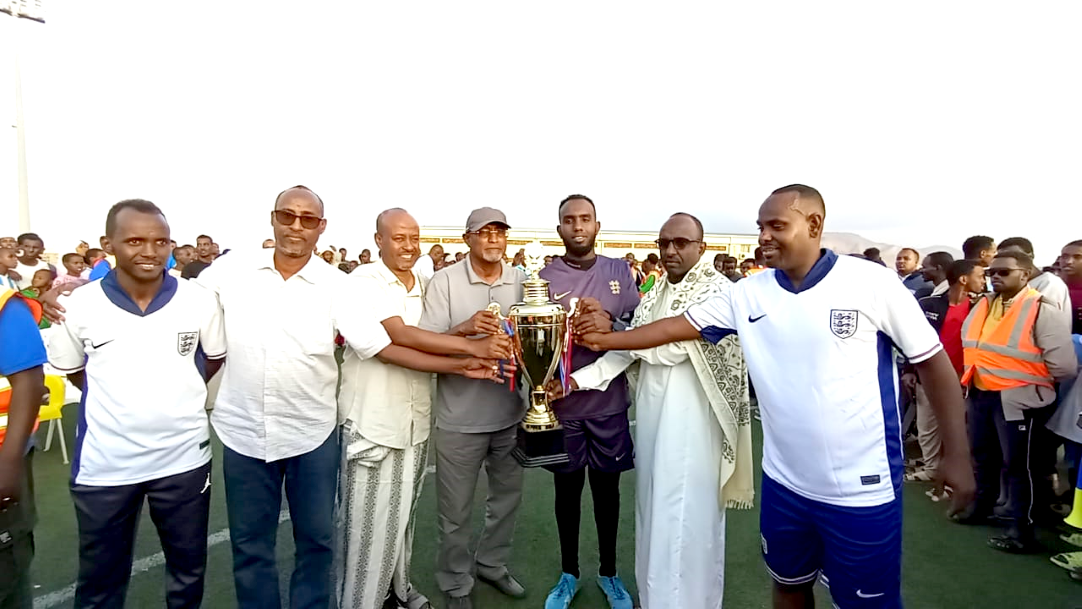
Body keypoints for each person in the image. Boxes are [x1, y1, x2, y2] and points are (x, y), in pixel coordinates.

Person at [575, 184, 975, 609]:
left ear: (815, 225)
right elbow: (673, 327)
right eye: (760, 227)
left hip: (861, 488)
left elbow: (934, 364)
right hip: (785, 483)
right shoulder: (748, 292)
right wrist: (606, 338)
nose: (764, 236)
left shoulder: (871, 283)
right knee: (788, 586)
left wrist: (958, 455)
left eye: (777, 226)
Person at [552, 211, 752, 609]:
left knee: (687, 520)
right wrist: (573, 381)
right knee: (655, 515)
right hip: (654, 423)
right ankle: (656, 597)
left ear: (702, 247)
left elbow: (666, 346)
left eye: (681, 243)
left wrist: (611, 336)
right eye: (664, 243)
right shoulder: (657, 291)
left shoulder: (718, 292)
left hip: (695, 426)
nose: (671, 251)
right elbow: (626, 353)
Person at [47, 199, 228, 608]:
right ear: (109, 243)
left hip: (183, 460)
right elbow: (74, 369)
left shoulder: (197, 299)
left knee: (188, 573)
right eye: (135, 240)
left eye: (160, 241)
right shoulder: (78, 304)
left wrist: (174, 394)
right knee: (100, 582)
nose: (150, 251)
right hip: (106, 465)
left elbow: (214, 356)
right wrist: (121, 396)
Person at [336, 208, 513, 609]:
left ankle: (398, 591)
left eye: (413, 238)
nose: (409, 246)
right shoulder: (363, 281)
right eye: (399, 238)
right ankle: (361, 601)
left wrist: (463, 335)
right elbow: (393, 344)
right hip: (372, 422)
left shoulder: (423, 280)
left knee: (401, 516)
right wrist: (468, 355)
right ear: (378, 239)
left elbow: (429, 340)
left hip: (413, 421)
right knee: (367, 528)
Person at [533, 196, 640, 609]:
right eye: (568, 220)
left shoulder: (618, 271)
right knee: (567, 493)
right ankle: (569, 573)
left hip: (609, 405)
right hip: (563, 408)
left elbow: (636, 327)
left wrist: (612, 324)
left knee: (607, 493)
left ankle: (610, 574)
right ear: (559, 229)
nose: (577, 226)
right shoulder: (544, 277)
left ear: (597, 225)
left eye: (585, 219)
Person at [419, 207, 528, 609]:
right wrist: (465, 329)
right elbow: (426, 341)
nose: (494, 240)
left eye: (500, 232)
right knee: (455, 512)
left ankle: (492, 565)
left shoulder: (522, 281)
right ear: (468, 239)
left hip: (512, 414)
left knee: (506, 501)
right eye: (484, 233)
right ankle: (455, 584)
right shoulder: (444, 281)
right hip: (459, 419)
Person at [954, 251, 1077, 552]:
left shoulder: (1041, 309)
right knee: (983, 456)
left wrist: (1029, 381)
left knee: (1021, 467)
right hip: (981, 393)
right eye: (991, 272)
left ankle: (1023, 531)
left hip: (1021, 401)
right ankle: (982, 508)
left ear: (1025, 274)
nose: (995, 276)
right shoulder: (983, 304)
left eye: (1004, 272)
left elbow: (1064, 366)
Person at [903, 260, 984, 495]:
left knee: (960, 426)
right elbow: (912, 339)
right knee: (927, 424)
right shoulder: (928, 304)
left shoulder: (980, 308)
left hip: (965, 376)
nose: (984, 280)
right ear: (963, 279)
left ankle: (957, 471)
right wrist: (909, 370)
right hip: (928, 375)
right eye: (980, 276)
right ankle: (931, 469)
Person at [0, 285, 46, 609]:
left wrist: (9, 463)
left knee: (5, 578)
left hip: (2, 453)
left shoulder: (5, 305)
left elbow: (29, 381)